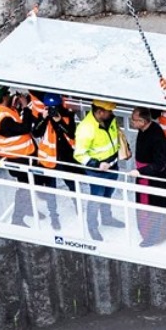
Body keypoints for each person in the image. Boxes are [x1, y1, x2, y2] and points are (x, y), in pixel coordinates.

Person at [73, 99, 127, 241]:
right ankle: (92, 227)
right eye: (109, 110)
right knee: (95, 198)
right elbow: (79, 154)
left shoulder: (110, 120)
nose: (112, 112)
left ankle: (107, 218)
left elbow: (116, 137)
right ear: (99, 112)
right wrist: (96, 164)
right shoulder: (86, 129)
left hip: (113, 166)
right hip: (98, 171)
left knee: (108, 194)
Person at [0, 85, 37, 227]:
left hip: (21, 155)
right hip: (18, 158)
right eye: (8, 94)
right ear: (3, 97)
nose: (10, 96)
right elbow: (24, 128)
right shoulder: (3, 120)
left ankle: (26, 209)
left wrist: (18, 107)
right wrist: (26, 107)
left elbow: (16, 120)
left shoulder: (2, 110)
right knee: (25, 187)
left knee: (28, 185)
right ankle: (17, 218)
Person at [30, 94, 76, 232]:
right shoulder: (42, 116)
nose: (51, 110)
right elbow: (36, 132)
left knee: (72, 185)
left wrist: (59, 120)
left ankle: (77, 205)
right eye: (49, 108)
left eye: (54, 108)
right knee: (50, 191)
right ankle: (54, 217)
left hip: (65, 159)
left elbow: (71, 133)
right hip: (48, 160)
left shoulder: (67, 115)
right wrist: (43, 118)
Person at [129, 106, 166, 248]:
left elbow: (160, 164)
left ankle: (151, 237)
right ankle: (156, 234)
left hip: (150, 179)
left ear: (143, 121)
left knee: (149, 209)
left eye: (133, 120)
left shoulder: (156, 136)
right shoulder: (146, 130)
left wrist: (141, 172)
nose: (131, 122)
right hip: (144, 175)